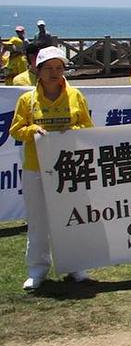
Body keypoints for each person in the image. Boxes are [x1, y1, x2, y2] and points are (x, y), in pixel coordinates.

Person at [11, 47, 93, 289]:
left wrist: (72, 133)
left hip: (69, 167)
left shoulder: (76, 95)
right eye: (49, 68)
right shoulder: (28, 99)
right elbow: (16, 129)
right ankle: (37, 270)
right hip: (36, 167)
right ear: (39, 71)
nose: (55, 73)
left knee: (71, 217)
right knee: (38, 221)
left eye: (59, 68)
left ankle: (75, 265)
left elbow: (87, 126)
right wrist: (33, 130)